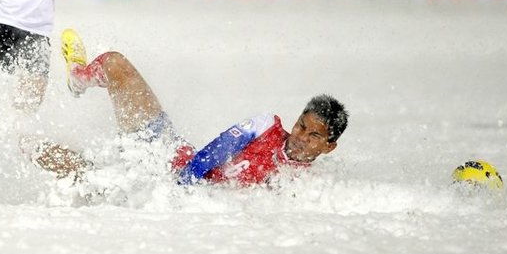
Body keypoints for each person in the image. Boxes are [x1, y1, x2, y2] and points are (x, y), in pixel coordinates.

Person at [43, 28, 349, 187]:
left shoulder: (307, 183)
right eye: (301, 126)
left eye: (313, 137)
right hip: (168, 154)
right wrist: (184, 180)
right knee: (114, 63)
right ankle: (79, 77)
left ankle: (16, 133)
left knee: (67, 166)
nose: (300, 137)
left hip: (158, 184)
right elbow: (221, 147)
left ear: (329, 147)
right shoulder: (268, 124)